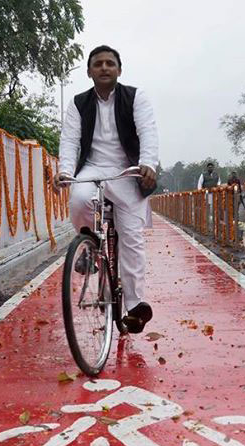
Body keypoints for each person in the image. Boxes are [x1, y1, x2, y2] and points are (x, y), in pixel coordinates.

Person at [55, 45, 158, 333]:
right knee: (78, 200)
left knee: (131, 237)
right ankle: (89, 247)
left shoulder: (136, 98)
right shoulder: (78, 103)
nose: (103, 67)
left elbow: (148, 132)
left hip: (126, 170)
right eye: (97, 63)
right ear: (89, 71)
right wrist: (65, 171)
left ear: (119, 70)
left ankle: (136, 305)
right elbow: (70, 140)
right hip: (92, 168)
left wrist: (148, 164)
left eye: (109, 63)